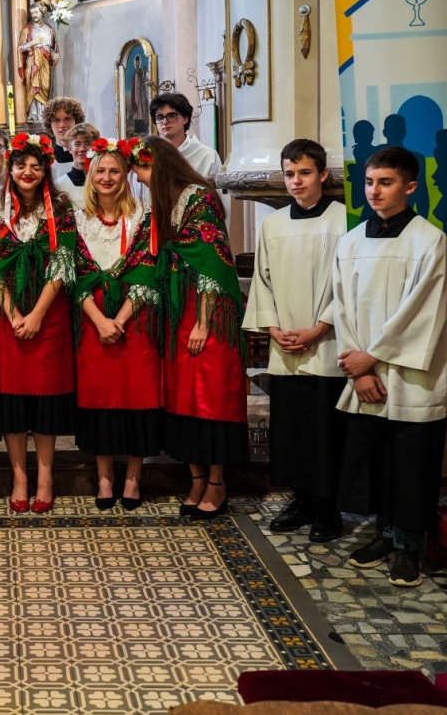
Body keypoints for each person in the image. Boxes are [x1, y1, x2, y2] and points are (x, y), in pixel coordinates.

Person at [333, 147, 447, 588]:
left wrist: (373, 357)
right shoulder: (351, 241)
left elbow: (425, 312)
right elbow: (340, 307)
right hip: (366, 376)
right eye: (369, 182)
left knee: (412, 462)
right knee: (378, 459)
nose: (374, 191)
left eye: (385, 182)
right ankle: (383, 534)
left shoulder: (429, 241)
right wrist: (358, 369)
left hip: (413, 376)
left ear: (410, 187)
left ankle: (410, 547)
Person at [132, 136, 247, 519]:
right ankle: (195, 478)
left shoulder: (200, 195)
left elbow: (212, 260)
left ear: (161, 163)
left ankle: (216, 482)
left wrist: (202, 321)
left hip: (206, 312)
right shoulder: (162, 201)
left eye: (142, 168)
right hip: (175, 310)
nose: (140, 177)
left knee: (209, 396)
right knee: (181, 396)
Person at [243, 139, 347, 543]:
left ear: (322, 174)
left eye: (305, 173)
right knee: (292, 427)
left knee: (326, 428)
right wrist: (272, 328)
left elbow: (349, 285)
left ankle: (329, 507)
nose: (296, 181)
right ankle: (301, 499)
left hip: (327, 342)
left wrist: (322, 327)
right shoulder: (274, 224)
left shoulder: (344, 221)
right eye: (289, 174)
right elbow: (262, 282)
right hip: (285, 344)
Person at [0, 133, 77, 514]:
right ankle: (19, 475)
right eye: (21, 165)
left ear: (46, 168)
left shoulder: (61, 207)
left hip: (49, 314)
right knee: (12, 399)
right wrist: (15, 313)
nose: (27, 171)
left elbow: (64, 263)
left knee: (45, 398)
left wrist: (36, 314)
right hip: (6, 317)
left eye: (35, 165)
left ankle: (46, 475)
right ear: (10, 169)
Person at [72, 138, 160, 512]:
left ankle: (133, 478)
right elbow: (73, 273)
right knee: (99, 400)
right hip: (92, 321)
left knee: (136, 396)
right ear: (90, 176)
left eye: (114, 171)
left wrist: (119, 319)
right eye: (100, 171)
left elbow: (147, 271)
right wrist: (98, 319)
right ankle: (105, 477)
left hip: (134, 320)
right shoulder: (76, 218)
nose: (107, 177)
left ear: (126, 175)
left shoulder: (143, 216)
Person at [149, 93, 221, 179]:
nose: (165, 121)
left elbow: (216, 191)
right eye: (160, 117)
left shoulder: (208, 156)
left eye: (171, 116)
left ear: (185, 119)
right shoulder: (149, 156)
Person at [17, 0, 59, 126]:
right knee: (33, 87)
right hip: (32, 61)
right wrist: (32, 43)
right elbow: (20, 47)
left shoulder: (49, 30)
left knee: (45, 86)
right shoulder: (27, 30)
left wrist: (55, 56)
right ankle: (33, 114)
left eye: (36, 12)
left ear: (42, 12)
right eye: (32, 13)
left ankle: (45, 114)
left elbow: (54, 47)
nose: (34, 15)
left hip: (45, 61)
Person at [44, 97, 85, 182]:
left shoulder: (87, 155)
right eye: (56, 120)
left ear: (77, 122)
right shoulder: (45, 159)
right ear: (50, 125)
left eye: (67, 119)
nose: (62, 125)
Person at [59, 122, 99, 206]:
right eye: (77, 144)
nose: (82, 149)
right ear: (70, 149)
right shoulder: (59, 186)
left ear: (96, 147)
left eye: (88, 143)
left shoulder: (103, 181)